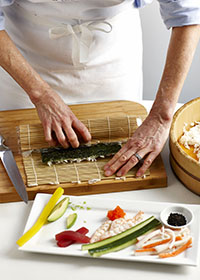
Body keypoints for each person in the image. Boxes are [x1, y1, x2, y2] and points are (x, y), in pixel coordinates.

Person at [0, 0, 200, 179]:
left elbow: (188, 14)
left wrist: (161, 116)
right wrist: (40, 93)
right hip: (24, 61)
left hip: (113, 56)